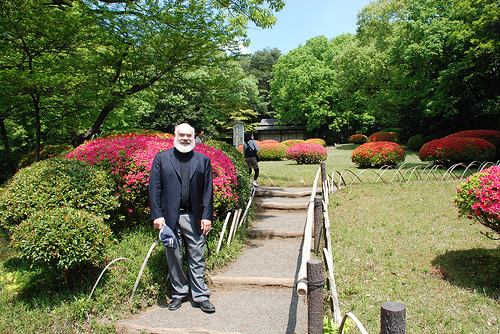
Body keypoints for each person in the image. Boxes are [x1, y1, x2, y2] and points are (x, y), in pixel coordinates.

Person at [148, 123, 215, 313]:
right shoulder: (161, 158)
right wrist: (157, 215)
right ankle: (179, 293)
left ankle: (201, 296)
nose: (185, 138)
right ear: (175, 135)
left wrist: (206, 216)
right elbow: (155, 188)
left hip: (194, 217)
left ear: (194, 137)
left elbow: (208, 191)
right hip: (169, 217)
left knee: (197, 255)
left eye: (189, 135)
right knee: (174, 256)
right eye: (182, 135)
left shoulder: (202, 160)